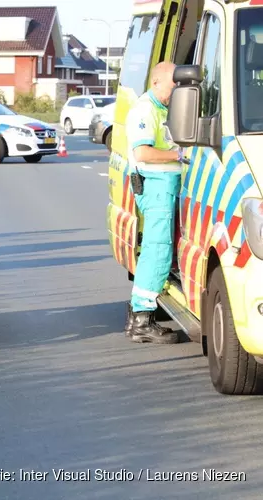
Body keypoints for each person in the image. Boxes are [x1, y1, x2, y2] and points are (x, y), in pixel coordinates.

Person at [124, 61, 184, 344]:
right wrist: (179, 155)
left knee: (159, 248)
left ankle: (139, 315)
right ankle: (142, 320)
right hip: (156, 186)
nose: (176, 91)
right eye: (173, 85)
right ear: (157, 81)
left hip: (165, 186)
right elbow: (143, 153)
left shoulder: (160, 108)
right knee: (157, 249)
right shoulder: (145, 110)